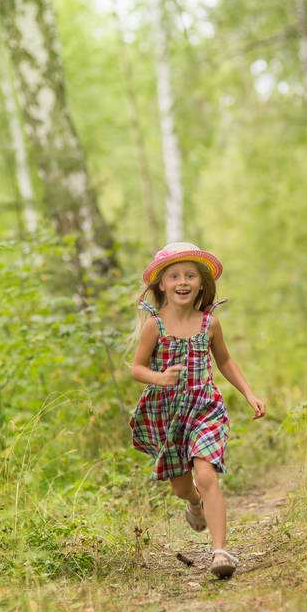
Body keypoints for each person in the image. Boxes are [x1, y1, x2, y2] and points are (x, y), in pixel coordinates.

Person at [129, 242, 265, 578]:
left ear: (201, 283)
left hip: (204, 406)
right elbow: (136, 368)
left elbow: (225, 361)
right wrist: (159, 378)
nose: (182, 281)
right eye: (174, 275)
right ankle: (193, 504)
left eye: (190, 275)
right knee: (182, 487)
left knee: (206, 474)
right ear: (162, 284)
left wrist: (248, 393)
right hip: (167, 413)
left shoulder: (210, 324)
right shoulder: (154, 326)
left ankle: (219, 552)